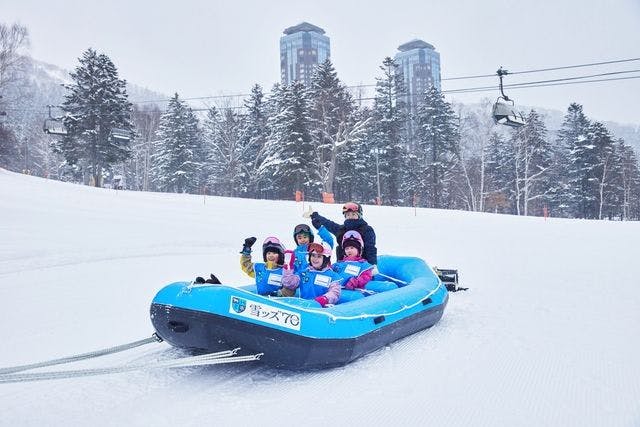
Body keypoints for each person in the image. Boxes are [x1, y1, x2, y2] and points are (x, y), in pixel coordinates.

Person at [304, 202, 378, 265]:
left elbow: (370, 249)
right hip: (343, 265)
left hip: (362, 265)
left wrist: (372, 265)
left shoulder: (367, 230)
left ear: (359, 216)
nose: (350, 217)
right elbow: (329, 223)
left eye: (353, 214)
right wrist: (316, 216)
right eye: (348, 215)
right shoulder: (342, 230)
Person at [332, 230, 396, 302]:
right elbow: (329, 272)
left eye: (352, 248)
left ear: (358, 249)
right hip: (338, 288)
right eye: (347, 248)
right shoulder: (339, 264)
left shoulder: (363, 264)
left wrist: (355, 282)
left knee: (358, 297)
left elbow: (366, 276)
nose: (349, 250)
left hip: (354, 288)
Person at [282, 242, 342, 307]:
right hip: (304, 306)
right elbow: (289, 284)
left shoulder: (332, 276)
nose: (315, 259)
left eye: (319, 256)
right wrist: (288, 267)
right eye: (313, 255)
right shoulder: (304, 273)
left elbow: (335, 293)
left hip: (321, 308)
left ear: (325, 259)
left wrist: (325, 299)